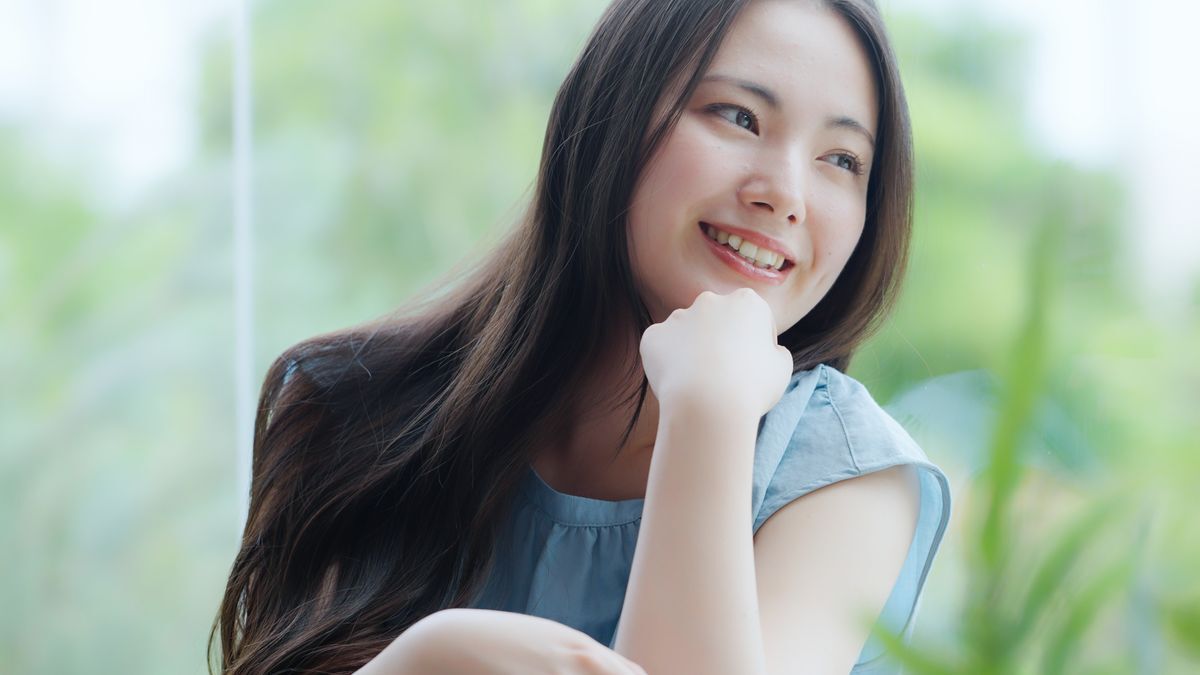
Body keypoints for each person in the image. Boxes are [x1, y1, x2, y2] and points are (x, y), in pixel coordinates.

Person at [212, 0, 951, 673]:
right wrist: (417, 663)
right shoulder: (355, 415)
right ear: (614, 113)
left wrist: (710, 411)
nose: (784, 193)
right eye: (739, 117)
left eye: (842, 159)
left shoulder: (848, 480)